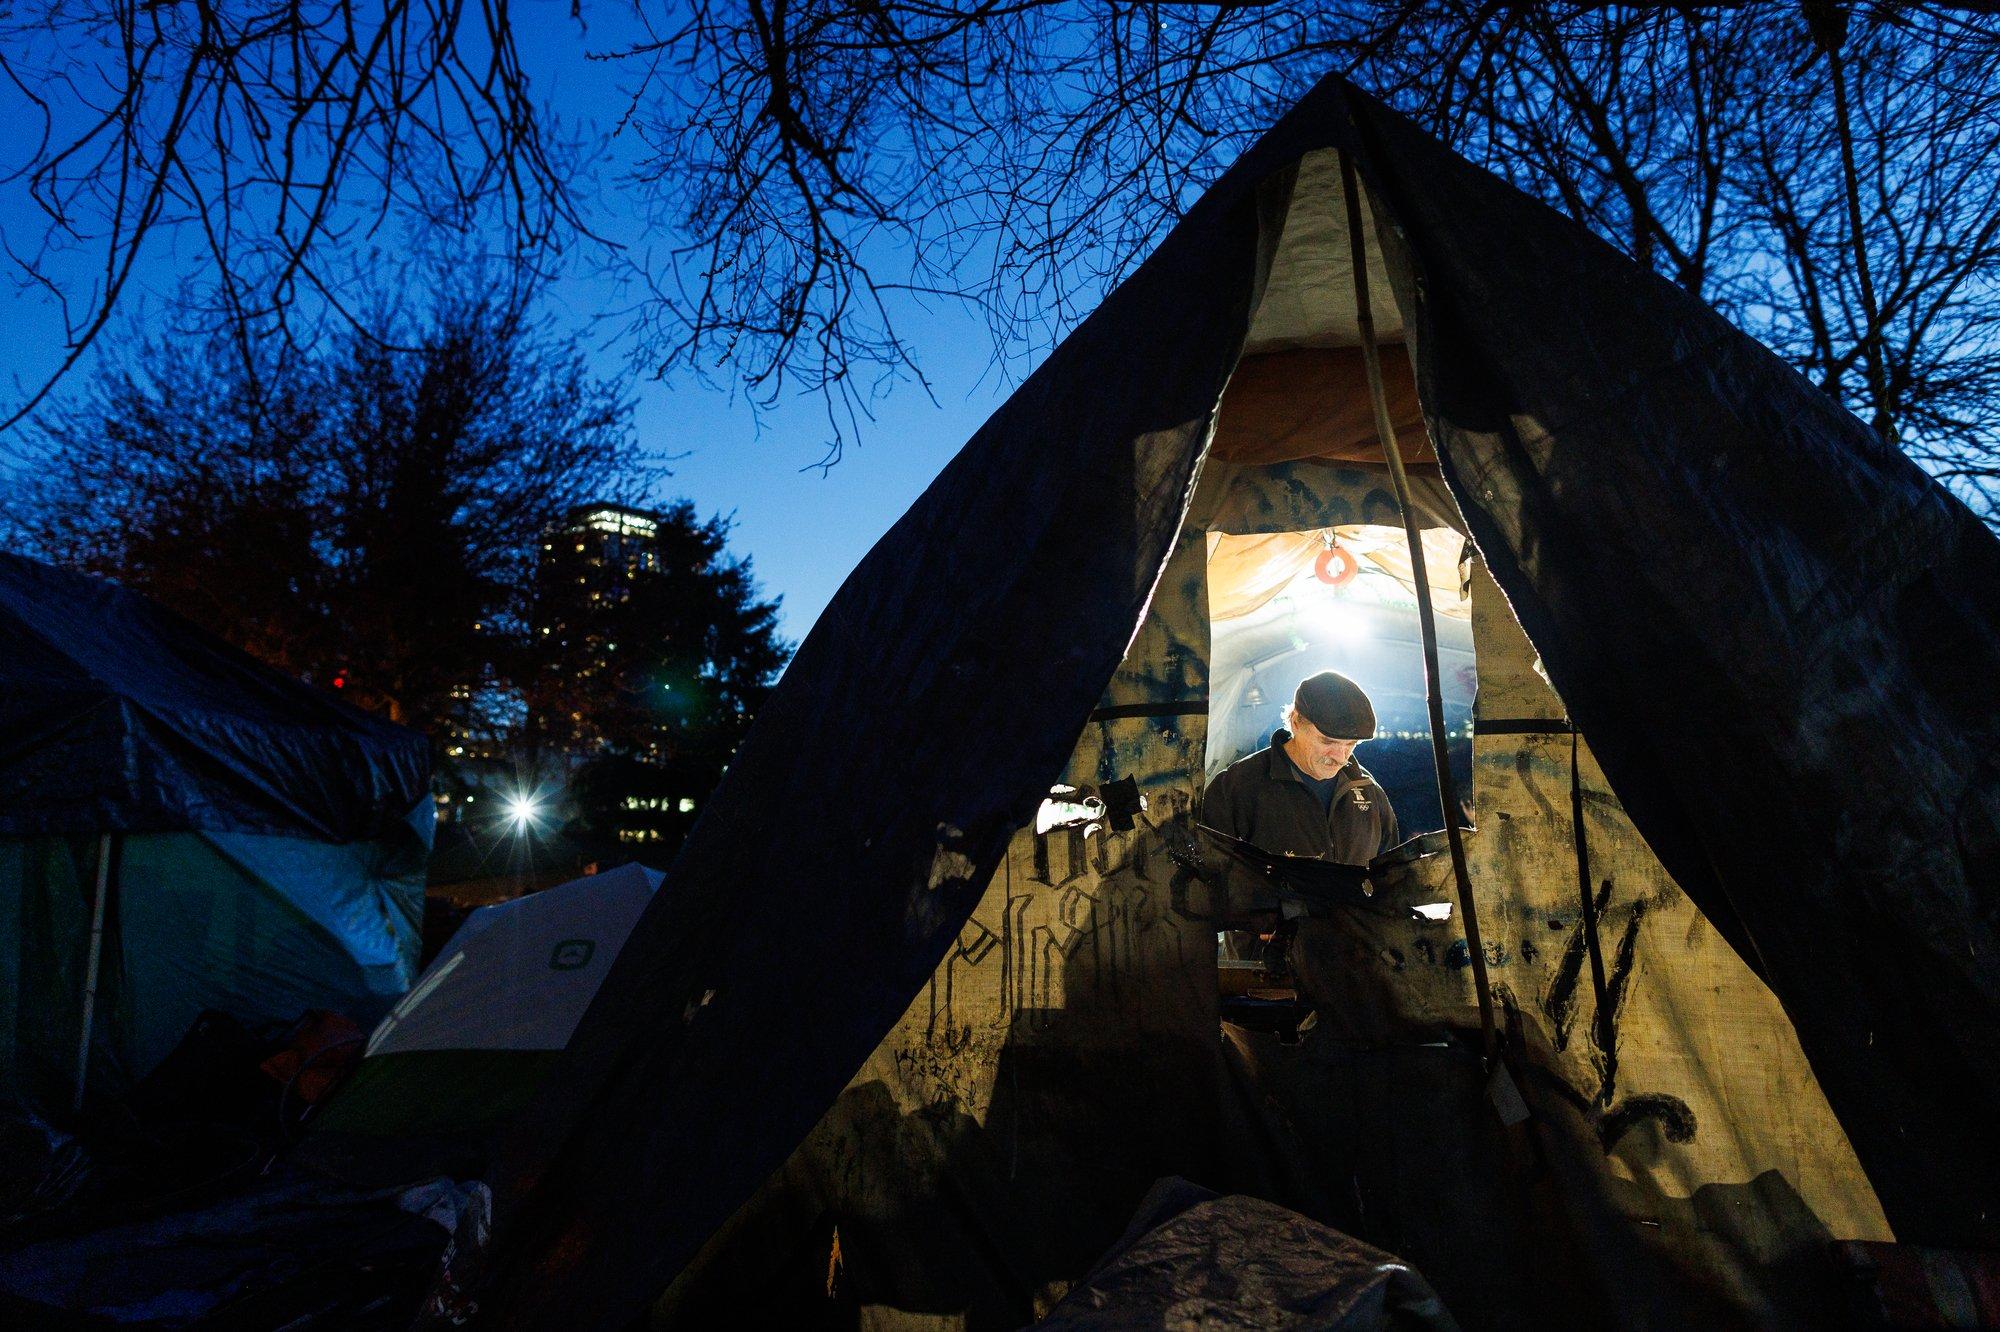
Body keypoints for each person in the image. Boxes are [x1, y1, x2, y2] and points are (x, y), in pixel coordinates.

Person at [1203, 670, 1399, 864]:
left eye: (1350, 744)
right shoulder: (1236, 787)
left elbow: (1391, 874)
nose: (1340, 758)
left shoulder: (1367, 789)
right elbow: (1210, 878)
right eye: (1327, 742)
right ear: (1296, 722)